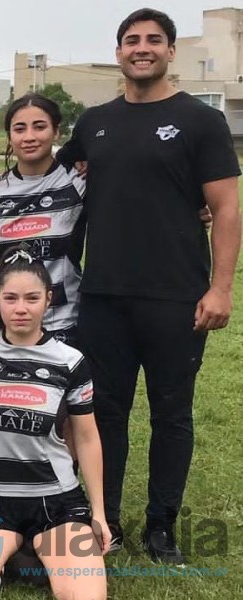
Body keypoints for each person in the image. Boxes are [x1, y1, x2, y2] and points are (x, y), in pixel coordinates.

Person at [57, 8, 241, 563]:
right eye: (132, 40)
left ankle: (161, 527)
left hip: (177, 297)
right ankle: (104, 518)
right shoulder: (94, 123)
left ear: (169, 52)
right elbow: (49, 172)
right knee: (104, 413)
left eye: (153, 41)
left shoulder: (200, 122)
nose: (142, 48)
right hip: (104, 297)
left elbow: (227, 208)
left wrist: (221, 288)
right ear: (118, 53)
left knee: (172, 413)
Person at [0, 247, 107, 599]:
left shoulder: (70, 361)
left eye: (32, 298)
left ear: (49, 300)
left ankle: (32, 552)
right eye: (10, 298)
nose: (20, 308)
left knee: (85, 597)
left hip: (56, 499)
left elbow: (88, 438)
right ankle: (14, 555)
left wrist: (100, 515)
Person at [0, 94, 85, 344]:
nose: (29, 137)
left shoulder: (78, 182)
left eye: (40, 126)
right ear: (9, 136)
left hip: (62, 323)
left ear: (56, 131)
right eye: (19, 128)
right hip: (1, 323)